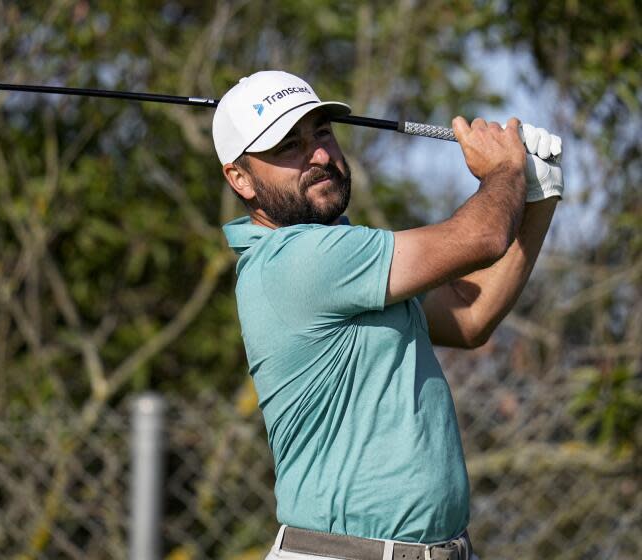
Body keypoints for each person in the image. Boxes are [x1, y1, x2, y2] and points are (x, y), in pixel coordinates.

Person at [213, 70, 563, 560]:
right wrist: (504, 171)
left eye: (322, 134)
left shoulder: (346, 260)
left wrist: (537, 196)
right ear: (240, 178)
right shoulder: (297, 260)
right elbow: (482, 238)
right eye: (288, 147)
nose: (318, 156)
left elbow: (469, 318)